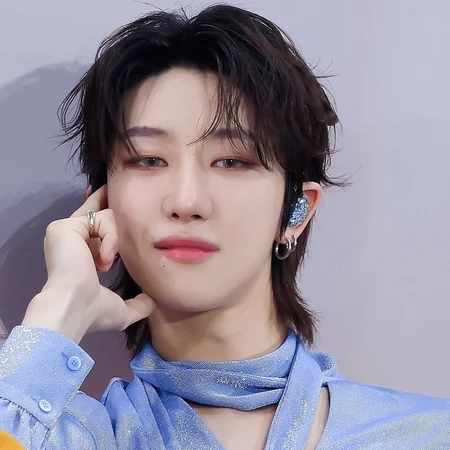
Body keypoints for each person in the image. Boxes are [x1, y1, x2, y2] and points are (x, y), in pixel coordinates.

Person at [0, 4, 449, 449]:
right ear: (102, 206)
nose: (186, 202)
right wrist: (58, 311)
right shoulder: (64, 437)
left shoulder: (428, 433)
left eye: (232, 161)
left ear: (296, 211)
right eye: (149, 160)